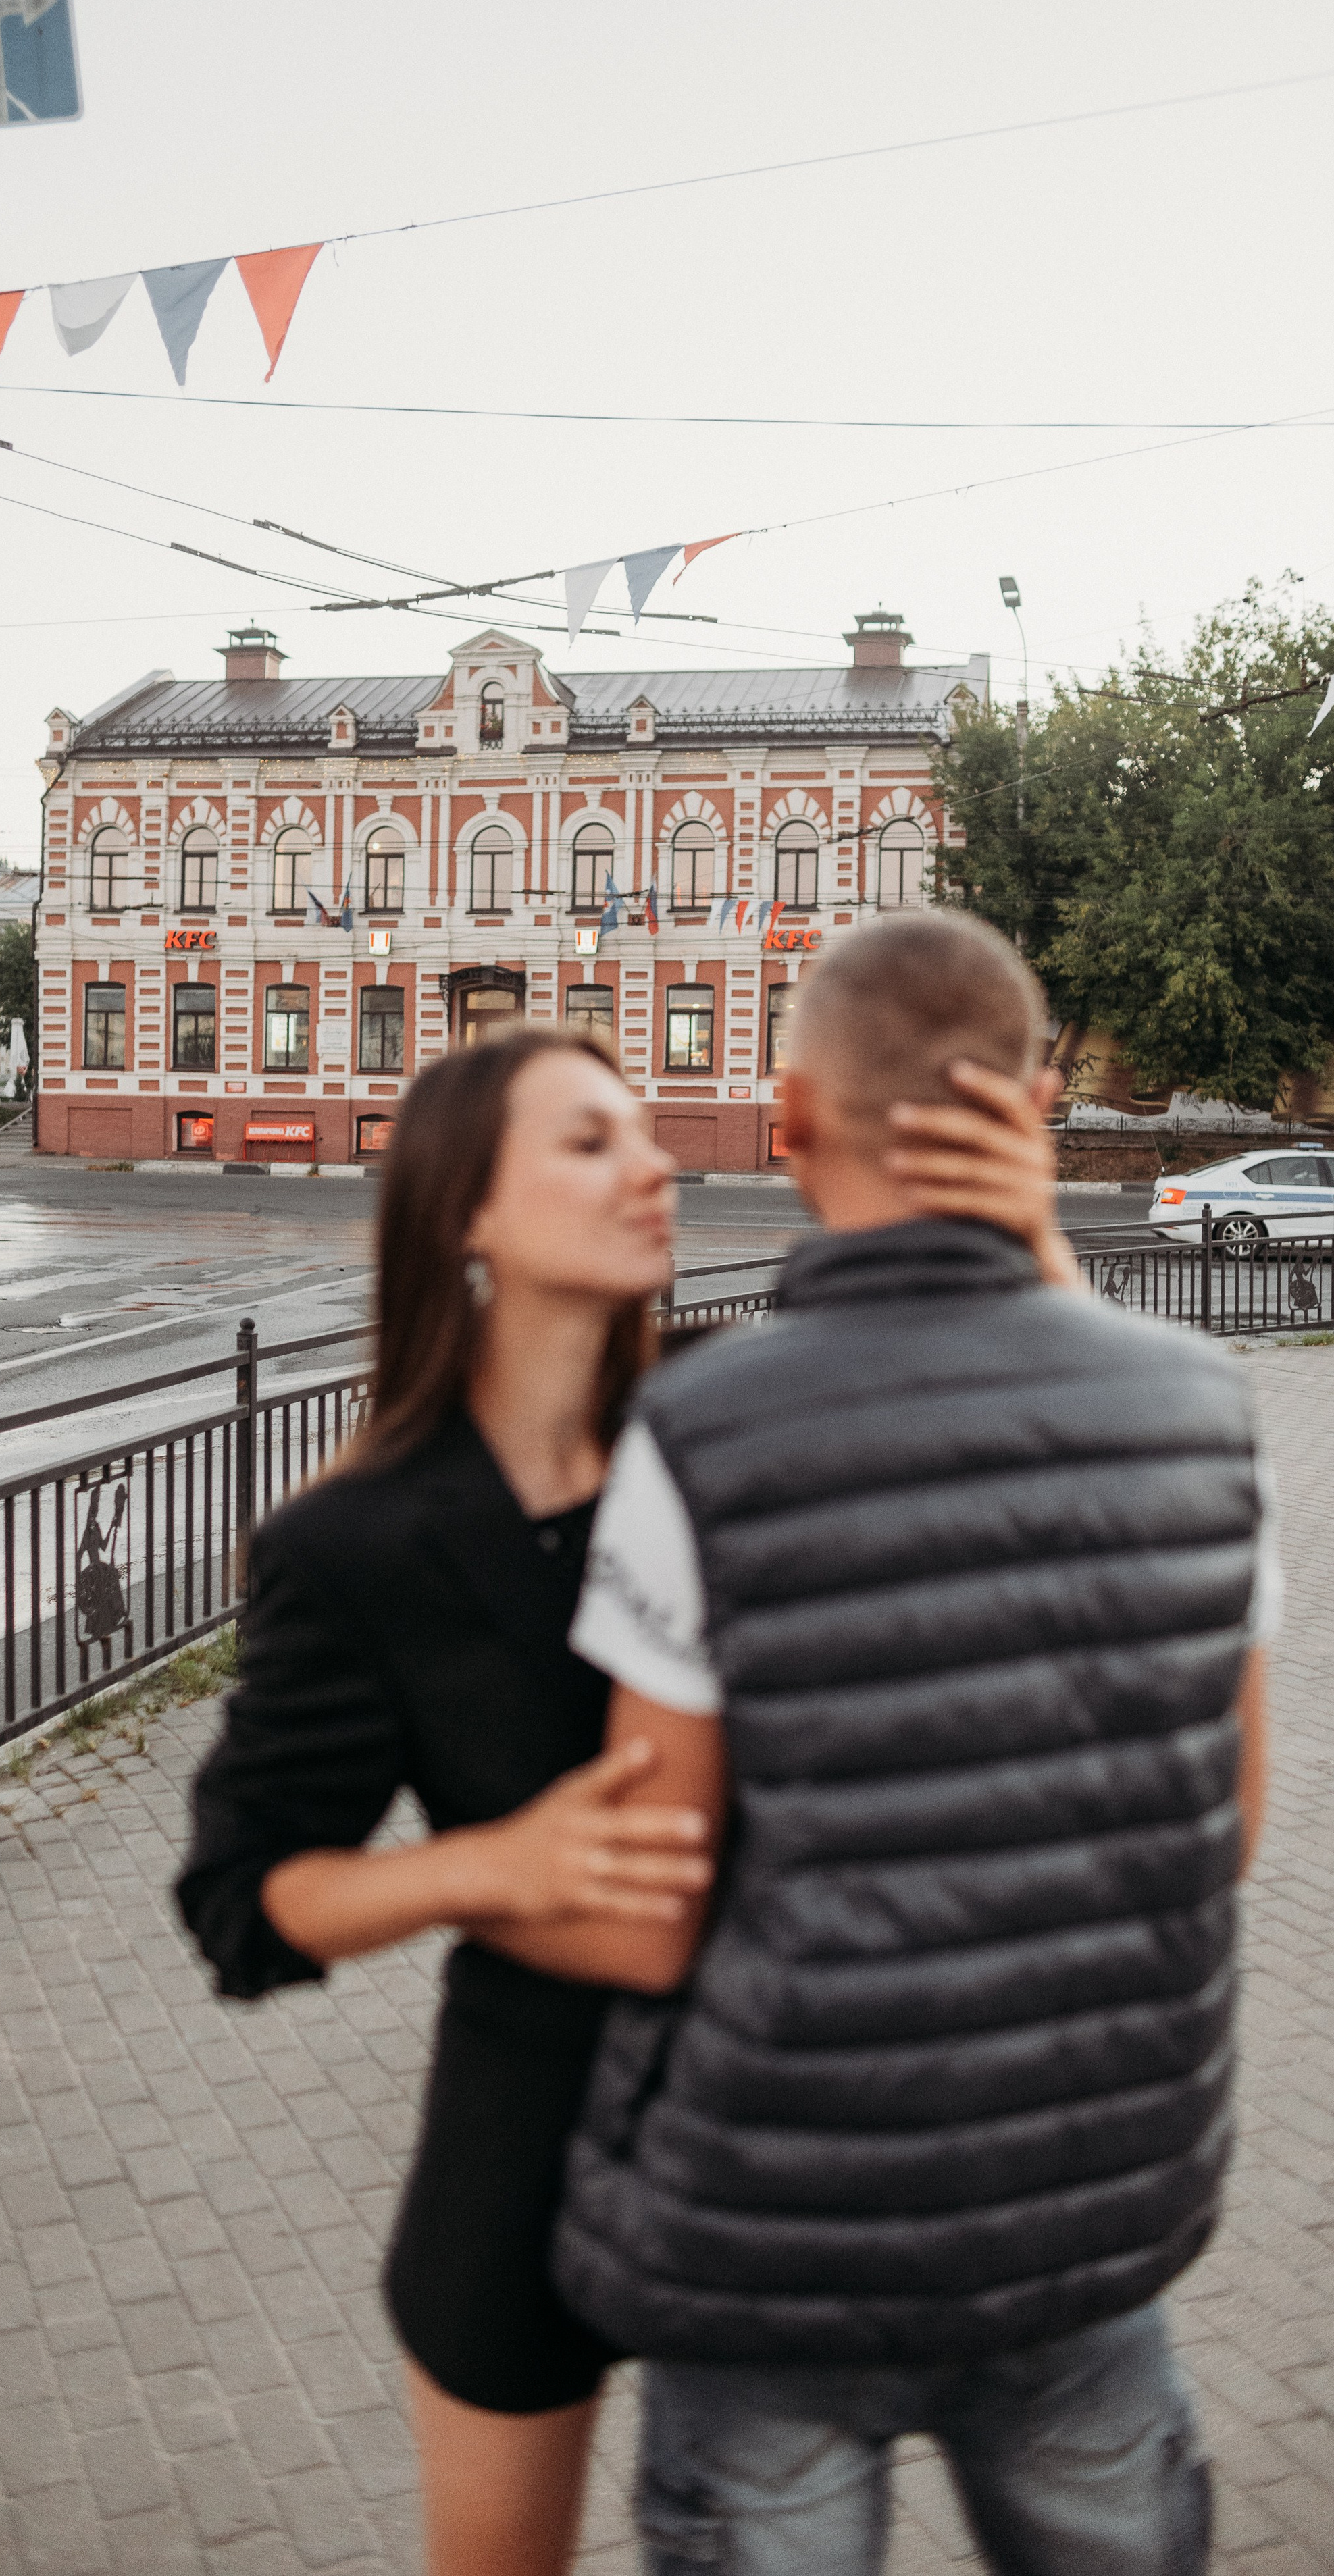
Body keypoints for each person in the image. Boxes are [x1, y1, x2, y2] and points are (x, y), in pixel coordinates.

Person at [176, 1021, 1076, 2576]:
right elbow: (244, 1901)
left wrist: (1029, 1233)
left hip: (793, 2124)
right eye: (590, 1139)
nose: (654, 1163)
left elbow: (1040, 1431)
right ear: (466, 1213)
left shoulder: (735, 1409)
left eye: (648, 1131)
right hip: (525, 2134)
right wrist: (491, 1865)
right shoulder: (357, 1541)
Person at [553, 911, 1275, 2576]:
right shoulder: (1203, 1409)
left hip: (771, 2239)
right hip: (1085, 2211)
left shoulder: (700, 1426)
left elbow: (652, 1894)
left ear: (789, 1119)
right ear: (1032, 1109)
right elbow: (1224, 1825)